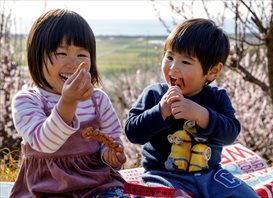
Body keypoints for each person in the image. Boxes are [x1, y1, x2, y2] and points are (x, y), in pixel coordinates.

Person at [125, 18, 258, 197]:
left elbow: (230, 133)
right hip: (163, 175)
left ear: (212, 71)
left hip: (210, 175)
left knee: (246, 195)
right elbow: (133, 132)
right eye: (170, 57)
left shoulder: (216, 97)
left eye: (186, 62)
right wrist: (161, 111)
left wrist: (201, 115)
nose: (173, 68)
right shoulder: (155, 94)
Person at [11, 9, 126, 198]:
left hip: (97, 183)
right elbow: (45, 143)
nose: (73, 63)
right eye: (61, 53)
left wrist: (112, 155)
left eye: (82, 55)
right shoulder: (28, 101)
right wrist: (68, 102)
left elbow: (111, 137)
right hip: (47, 187)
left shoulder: (98, 100)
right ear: (36, 57)